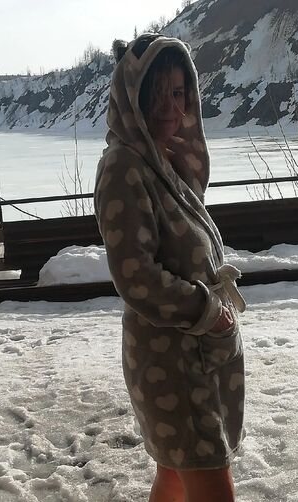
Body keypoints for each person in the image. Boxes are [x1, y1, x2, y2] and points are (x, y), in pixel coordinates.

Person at [94, 33, 246, 502]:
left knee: (177, 474)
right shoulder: (124, 167)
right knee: (207, 479)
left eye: (178, 93)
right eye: (156, 94)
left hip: (186, 357)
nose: (169, 108)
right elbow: (136, 275)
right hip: (174, 364)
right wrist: (209, 311)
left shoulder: (160, 161)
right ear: (131, 98)